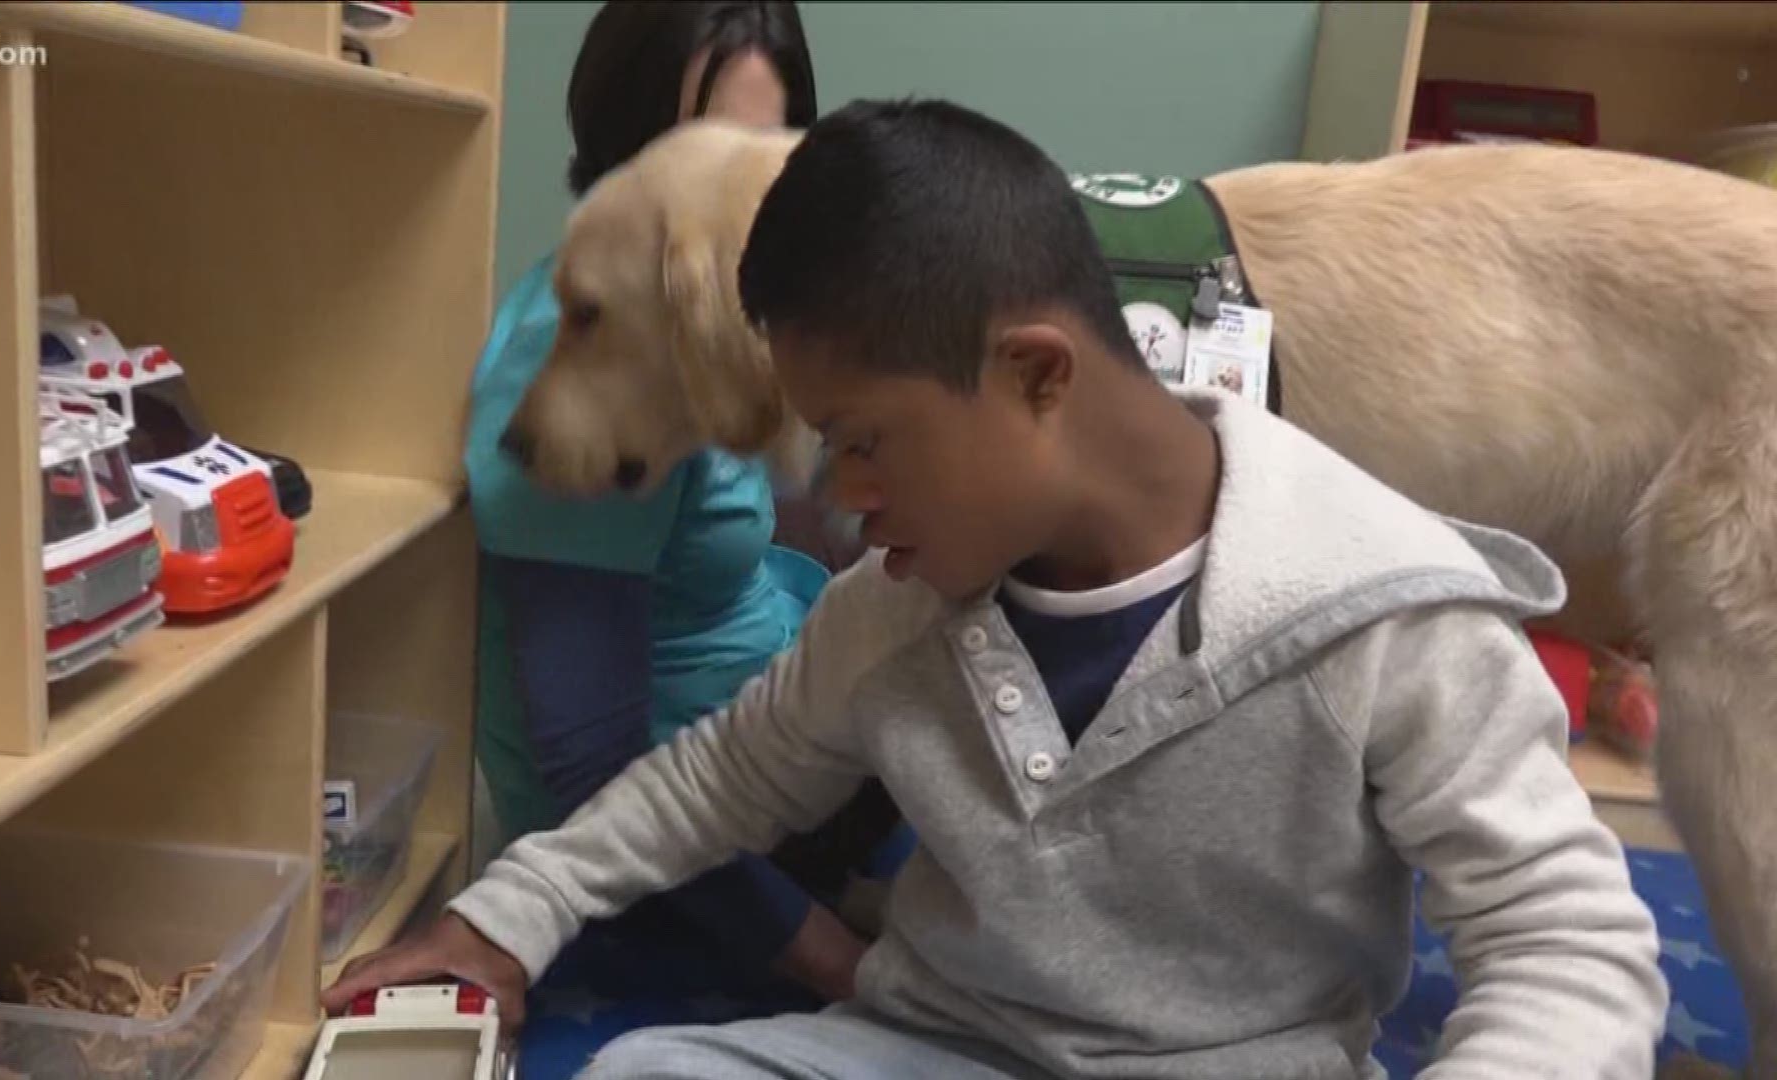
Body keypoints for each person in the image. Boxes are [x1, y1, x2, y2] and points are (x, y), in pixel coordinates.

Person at [328, 98, 1669, 1077]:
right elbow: (715, 783)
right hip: (938, 1046)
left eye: (863, 440)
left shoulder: (1391, 610)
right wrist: (508, 921)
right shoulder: (892, 608)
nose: (842, 493)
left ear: (1038, 374)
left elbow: (1568, 945)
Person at [460, 1, 893, 1009]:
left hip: (791, 752)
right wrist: (850, 971)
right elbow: (589, 771)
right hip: (680, 838)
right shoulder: (573, 371)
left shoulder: (736, 323)